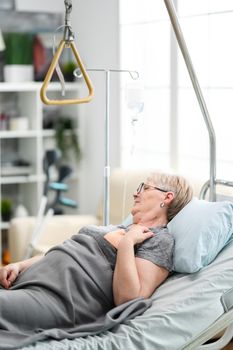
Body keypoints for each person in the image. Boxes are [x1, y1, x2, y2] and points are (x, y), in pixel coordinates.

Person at [0, 171, 193, 336]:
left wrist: (126, 244)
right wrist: (19, 266)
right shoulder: (120, 228)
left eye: (145, 187)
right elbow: (63, 250)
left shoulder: (159, 240)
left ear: (167, 197)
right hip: (30, 280)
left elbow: (128, 300)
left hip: (58, 299)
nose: (136, 193)